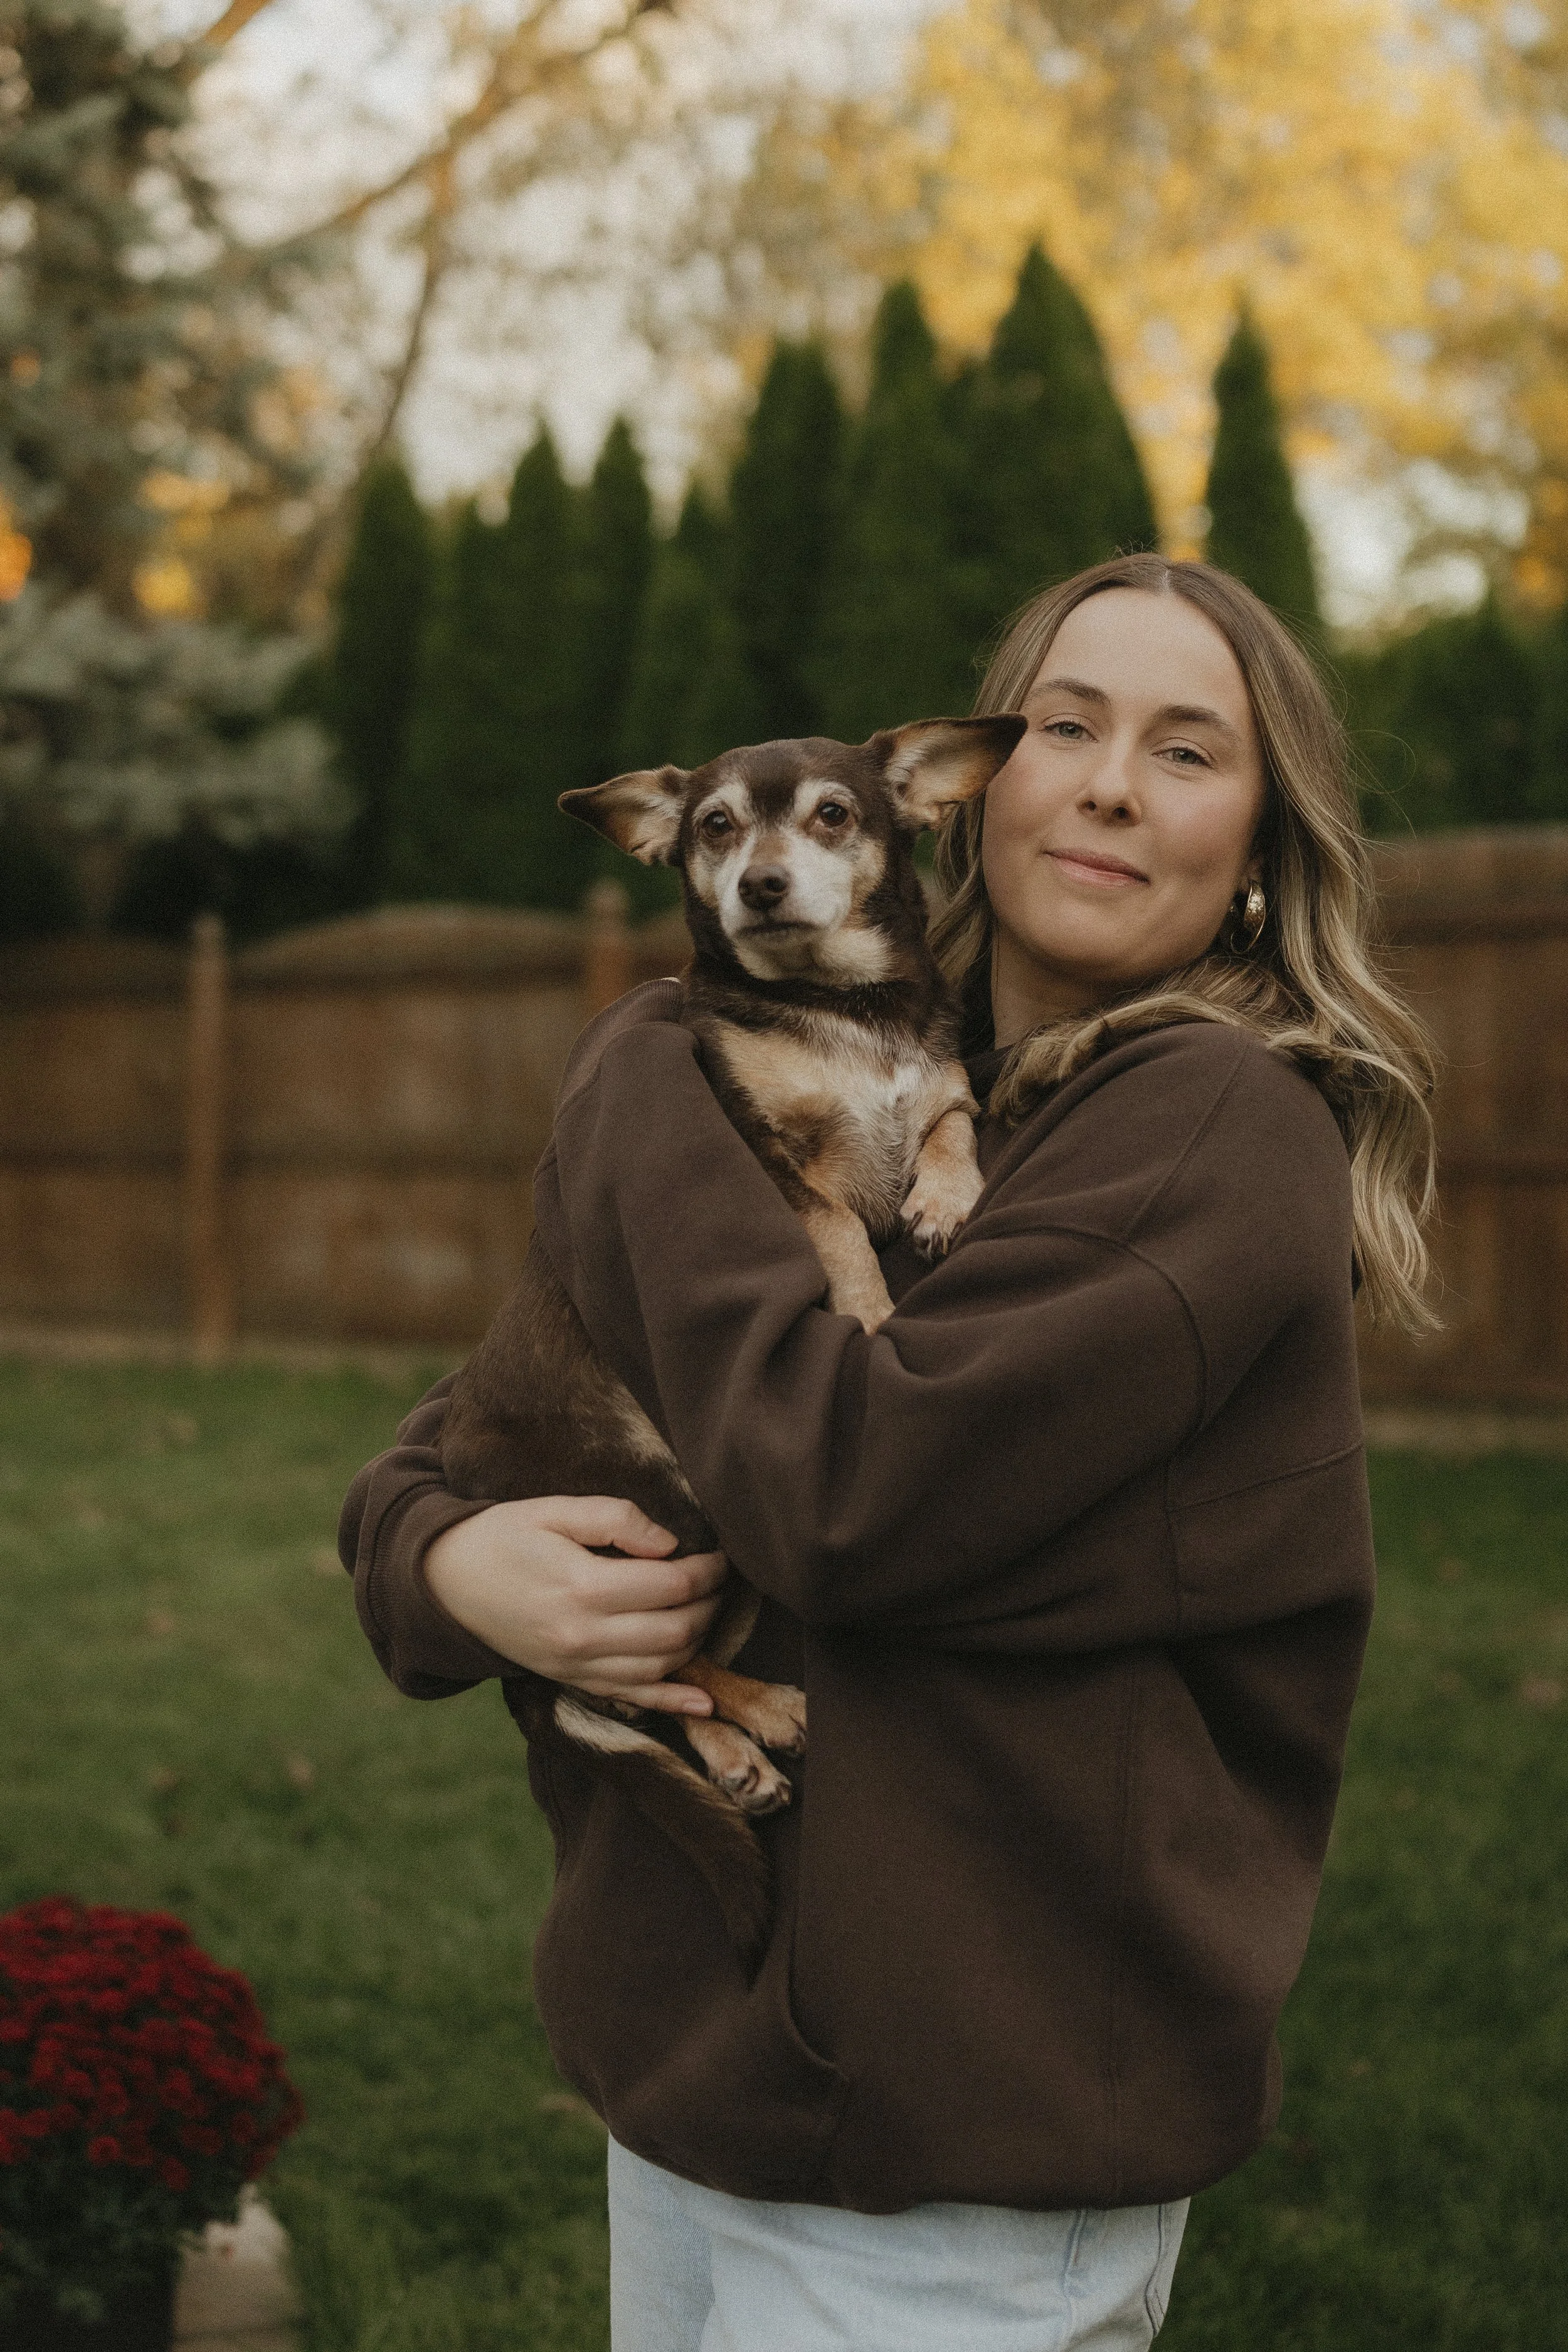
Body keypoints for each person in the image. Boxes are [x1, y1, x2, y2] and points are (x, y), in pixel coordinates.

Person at [339, 554, 1436, 2351]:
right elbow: (476, 1426)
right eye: (1066, 724)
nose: (1102, 781)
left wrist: (638, 1076)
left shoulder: (1210, 1131)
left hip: (969, 2131)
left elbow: (845, 1491)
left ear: (1260, 844)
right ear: (971, 785)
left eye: (1183, 751)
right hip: (710, 2068)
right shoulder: (862, 1092)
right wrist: (453, 1565)